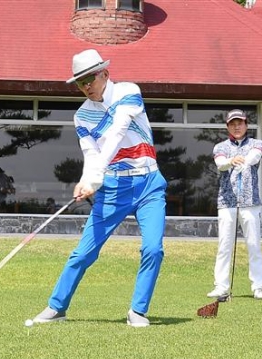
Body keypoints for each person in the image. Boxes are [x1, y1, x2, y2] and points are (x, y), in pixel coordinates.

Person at [32, 49, 168, 327]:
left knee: (153, 248)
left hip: (149, 184)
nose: (86, 87)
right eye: (80, 82)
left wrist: (95, 175)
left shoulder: (128, 92)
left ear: (105, 73)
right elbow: (91, 154)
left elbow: (118, 132)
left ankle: (137, 311)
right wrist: (87, 180)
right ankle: (57, 307)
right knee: (84, 252)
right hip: (114, 187)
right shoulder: (82, 117)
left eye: (90, 79)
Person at [207, 109, 262, 300]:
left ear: (246, 125)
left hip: (250, 203)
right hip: (227, 202)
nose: (236, 126)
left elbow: (255, 157)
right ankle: (221, 286)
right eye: (233, 123)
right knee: (224, 245)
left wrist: (245, 161)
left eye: (240, 123)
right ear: (227, 126)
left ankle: (258, 286)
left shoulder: (256, 143)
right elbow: (220, 164)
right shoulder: (220, 147)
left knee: (254, 245)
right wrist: (231, 161)